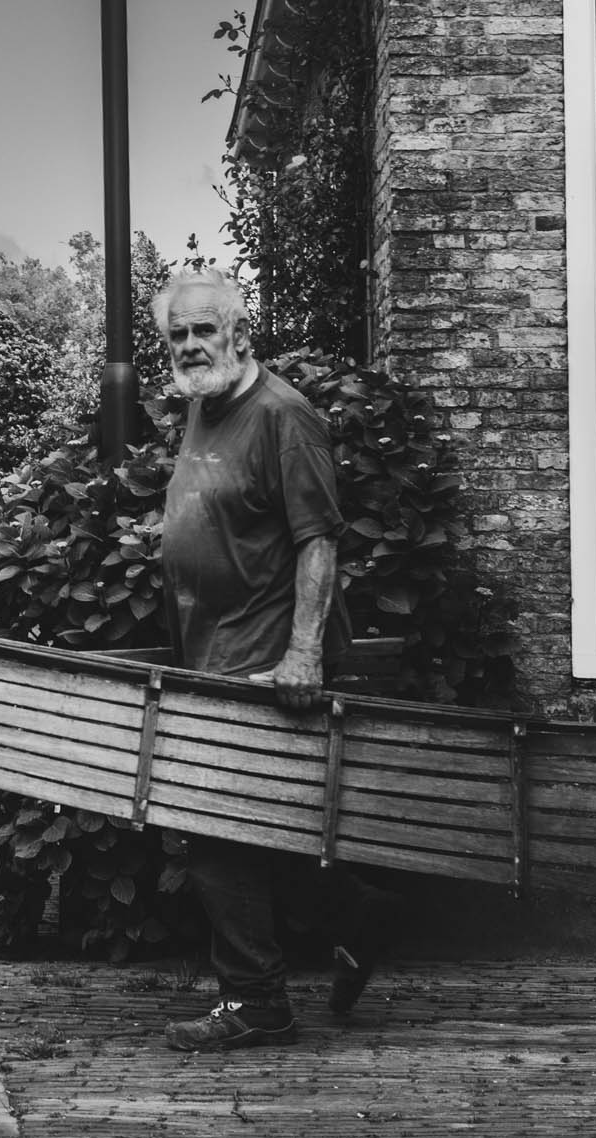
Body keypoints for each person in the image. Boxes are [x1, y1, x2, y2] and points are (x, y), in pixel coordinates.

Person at [151, 267, 382, 1052]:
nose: (188, 345)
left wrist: (305, 653)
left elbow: (319, 538)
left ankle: (255, 999)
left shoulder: (284, 416)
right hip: (209, 651)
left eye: (202, 330)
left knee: (209, 820)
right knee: (258, 824)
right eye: (177, 333)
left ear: (239, 334)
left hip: (263, 656)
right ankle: (357, 923)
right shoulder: (201, 407)